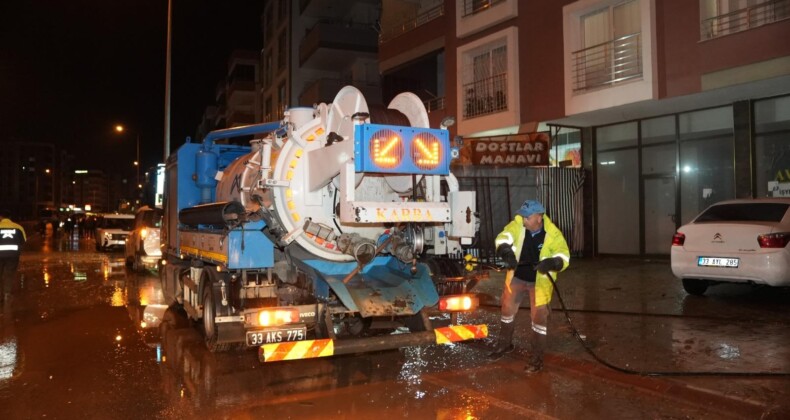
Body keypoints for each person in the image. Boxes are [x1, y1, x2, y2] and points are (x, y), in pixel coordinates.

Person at [488, 199, 570, 373]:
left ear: (539, 218)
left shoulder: (553, 234)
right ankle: (504, 344)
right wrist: (505, 251)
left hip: (539, 282)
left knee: (539, 320)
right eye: (523, 216)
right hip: (517, 278)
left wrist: (553, 262)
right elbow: (503, 237)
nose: (523, 219)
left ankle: (537, 358)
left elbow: (564, 257)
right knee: (507, 312)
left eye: (527, 217)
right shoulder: (518, 224)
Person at [0, 210, 26, 307]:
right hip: (13, 255)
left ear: (1, 217)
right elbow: (23, 241)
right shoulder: (18, 227)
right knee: (9, 274)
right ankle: (7, 293)